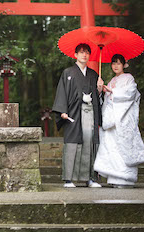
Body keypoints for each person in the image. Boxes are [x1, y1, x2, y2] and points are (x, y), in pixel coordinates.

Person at [93, 54, 144, 187]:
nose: (115, 66)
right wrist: (101, 90)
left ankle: (126, 178)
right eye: (113, 63)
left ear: (124, 65)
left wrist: (112, 91)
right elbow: (106, 101)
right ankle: (114, 178)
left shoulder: (128, 78)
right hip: (111, 119)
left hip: (123, 119)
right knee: (112, 149)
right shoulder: (112, 80)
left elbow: (130, 94)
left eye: (118, 63)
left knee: (123, 148)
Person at [52, 43, 104, 188]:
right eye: (81, 52)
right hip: (74, 113)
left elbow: (98, 97)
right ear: (75, 55)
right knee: (73, 143)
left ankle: (91, 178)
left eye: (87, 52)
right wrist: (62, 110)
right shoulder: (68, 73)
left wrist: (99, 90)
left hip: (90, 114)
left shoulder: (94, 74)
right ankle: (69, 179)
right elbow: (62, 92)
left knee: (90, 143)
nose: (84, 55)